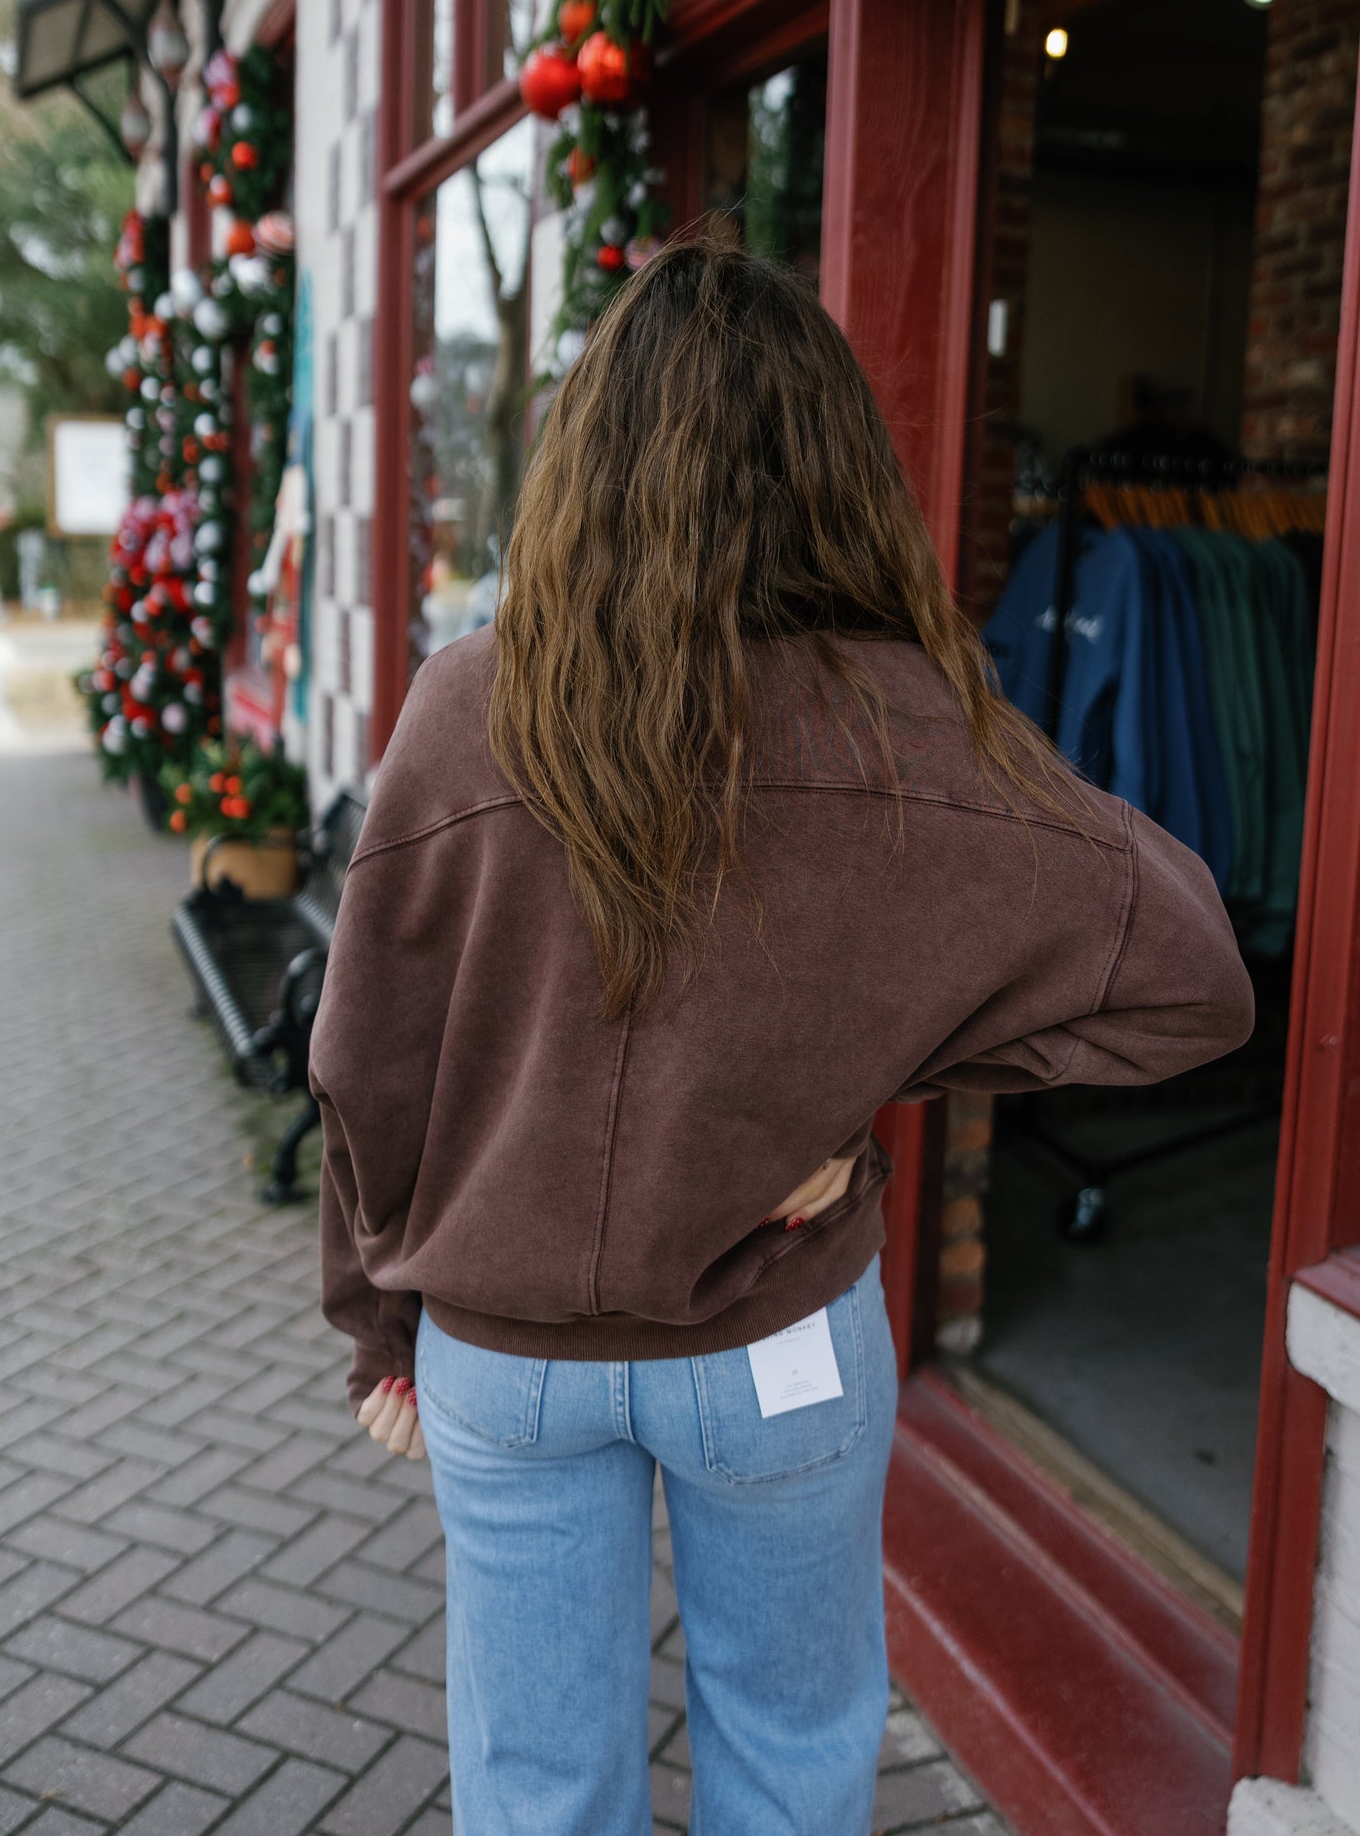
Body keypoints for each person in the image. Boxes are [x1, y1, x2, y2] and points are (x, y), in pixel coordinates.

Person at [309, 235, 1254, 1836]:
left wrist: (375, 1325)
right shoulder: (910, 729)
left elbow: (362, 1064)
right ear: (832, 474)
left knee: (535, 1790)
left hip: (505, 1355)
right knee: (793, 1761)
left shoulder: (466, 707)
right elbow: (1192, 976)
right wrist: (877, 1070)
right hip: (778, 1345)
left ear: (587, 458)